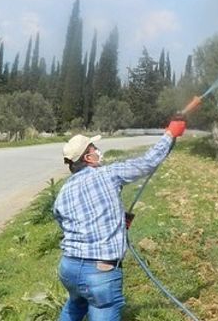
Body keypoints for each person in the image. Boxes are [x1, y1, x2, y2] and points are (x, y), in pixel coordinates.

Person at [53, 117, 187, 321]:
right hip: (99, 273)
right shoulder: (108, 174)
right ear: (88, 158)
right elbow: (147, 162)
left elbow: (66, 224)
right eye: (94, 148)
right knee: (100, 308)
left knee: (76, 304)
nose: (98, 151)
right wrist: (170, 134)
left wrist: (113, 223)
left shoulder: (64, 191)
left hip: (68, 268)